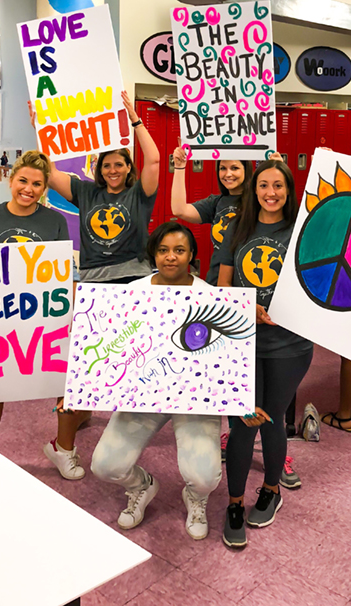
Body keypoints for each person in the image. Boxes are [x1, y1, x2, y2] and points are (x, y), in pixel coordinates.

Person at [0, 150, 90, 480]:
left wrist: (72, 309)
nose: (29, 189)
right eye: (23, 181)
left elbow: (62, 272)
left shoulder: (53, 221)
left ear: (44, 189)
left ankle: (63, 448)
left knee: (62, 378)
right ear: (11, 180)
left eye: (37, 184)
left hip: (40, 315)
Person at [90, 221, 222, 540]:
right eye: (163, 250)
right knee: (104, 465)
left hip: (193, 398)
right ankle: (142, 486)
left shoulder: (211, 298)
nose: (171, 257)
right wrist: (80, 390)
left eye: (179, 250)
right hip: (143, 395)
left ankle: (196, 497)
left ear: (192, 254)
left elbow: (224, 362)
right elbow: (108, 349)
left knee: (204, 476)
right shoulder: (131, 294)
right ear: (153, 254)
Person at [217, 159, 313, 548]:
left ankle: (272, 490)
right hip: (240, 341)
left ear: (290, 192)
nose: (270, 193)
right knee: (242, 422)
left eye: (279, 186)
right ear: (253, 190)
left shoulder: (300, 232)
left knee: (271, 419)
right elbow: (223, 286)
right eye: (263, 186)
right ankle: (235, 503)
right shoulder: (238, 228)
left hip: (290, 345)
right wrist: (246, 308)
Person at [29, 90, 160, 283]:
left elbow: (154, 161)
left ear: (128, 167)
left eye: (118, 165)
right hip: (93, 279)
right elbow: (52, 174)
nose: (112, 171)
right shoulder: (86, 192)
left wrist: (136, 121)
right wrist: (41, 130)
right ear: (100, 169)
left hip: (134, 276)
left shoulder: (139, 194)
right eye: (106, 166)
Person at [171, 147, 253, 285]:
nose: (228, 174)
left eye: (234, 168)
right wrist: (179, 167)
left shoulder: (258, 202)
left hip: (247, 285)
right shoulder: (216, 203)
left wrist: (276, 170)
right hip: (216, 283)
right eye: (222, 168)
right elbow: (179, 210)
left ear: (246, 170)